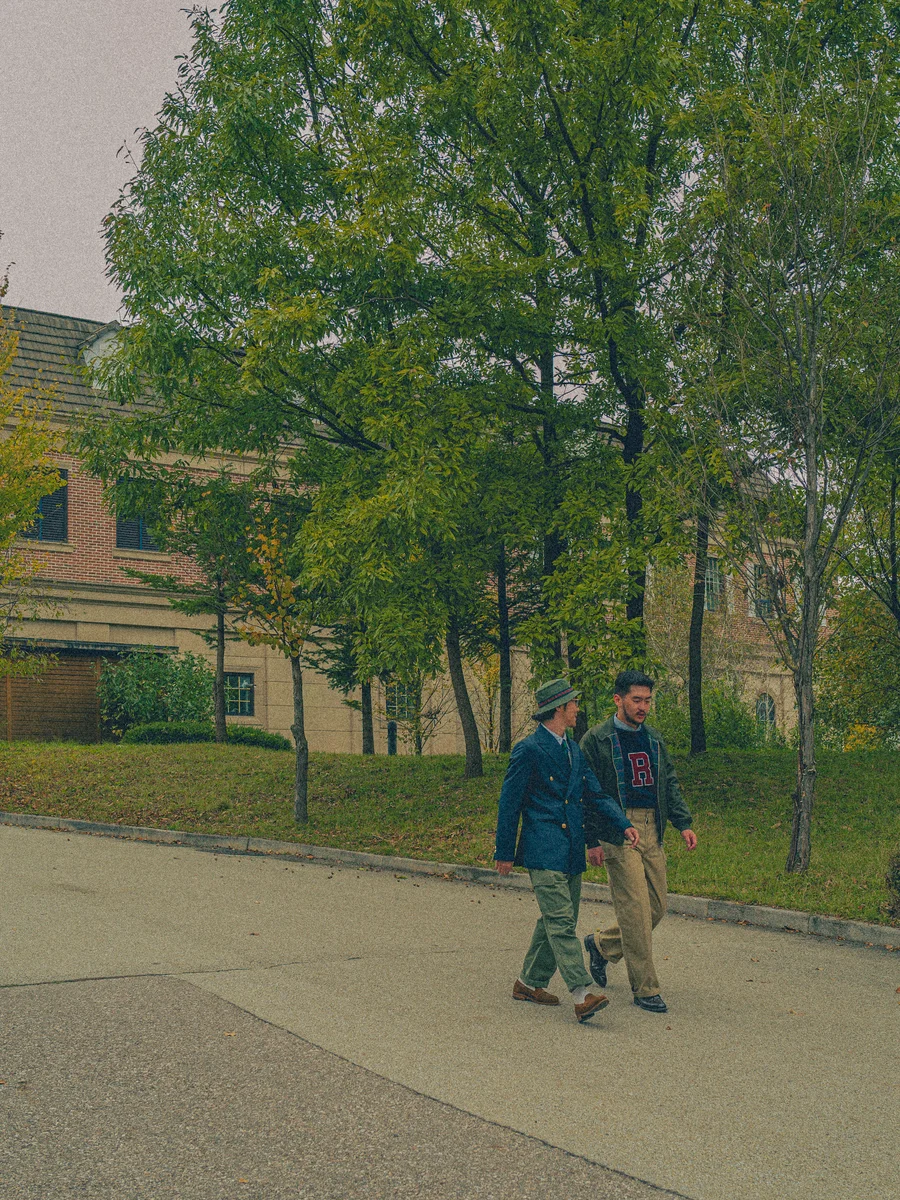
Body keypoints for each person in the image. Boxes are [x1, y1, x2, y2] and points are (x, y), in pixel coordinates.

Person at [494, 678, 639, 1023]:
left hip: (571, 847)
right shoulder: (528, 750)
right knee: (561, 922)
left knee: (558, 919)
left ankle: (529, 982)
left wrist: (623, 823)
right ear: (559, 708)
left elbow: (597, 795)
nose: (577, 708)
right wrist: (504, 851)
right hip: (542, 849)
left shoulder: (573, 750)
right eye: (573, 703)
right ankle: (581, 992)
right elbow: (509, 803)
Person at [579, 670, 698, 1014]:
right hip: (617, 829)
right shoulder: (596, 740)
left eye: (647, 700)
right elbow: (586, 793)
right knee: (634, 910)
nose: (643, 706)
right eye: (636, 700)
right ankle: (645, 988)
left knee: (657, 907)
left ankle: (601, 946)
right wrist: (592, 841)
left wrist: (683, 824)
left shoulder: (655, 739)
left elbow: (669, 783)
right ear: (618, 699)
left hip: (652, 826)